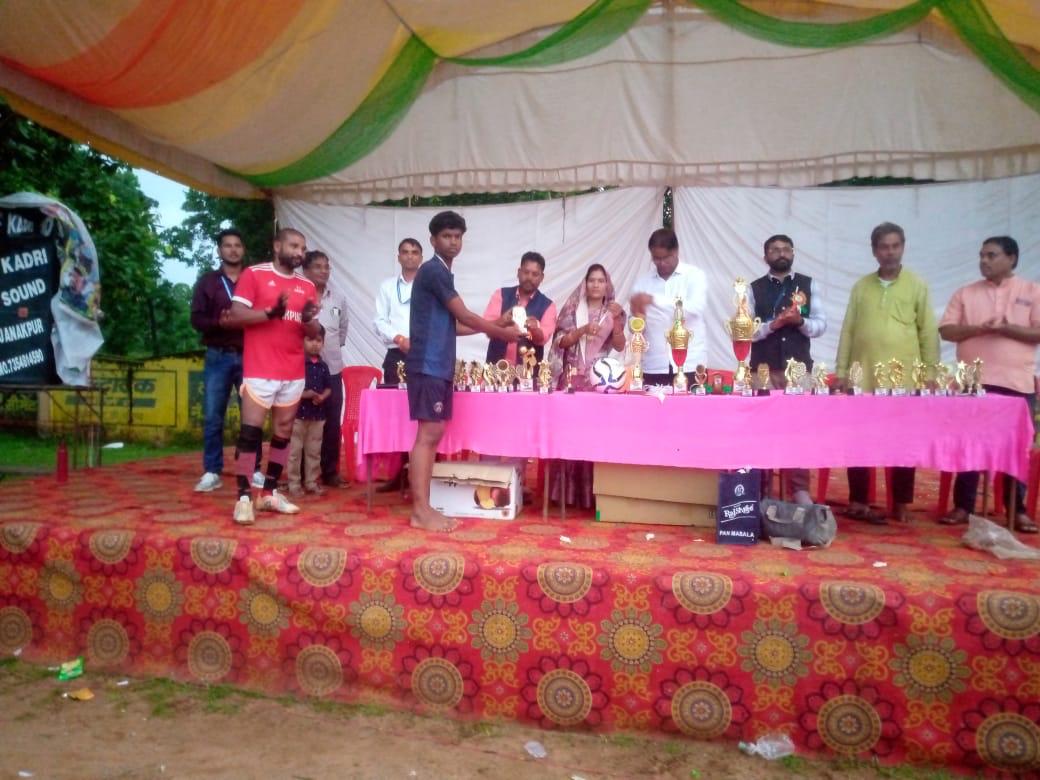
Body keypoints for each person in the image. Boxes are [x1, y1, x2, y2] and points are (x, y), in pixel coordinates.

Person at [406, 210, 519, 532]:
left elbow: (454, 325)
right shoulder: (434, 271)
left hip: (438, 364)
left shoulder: (442, 273)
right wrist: (501, 333)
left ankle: (424, 508)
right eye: (446, 236)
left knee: (432, 435)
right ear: (433, 240)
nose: (453, 242)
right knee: (427, 436)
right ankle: (420, 511)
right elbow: (466, 316)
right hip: (428, 364)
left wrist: (495, 324)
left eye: (457, 236)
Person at [835, 222, 939, 524]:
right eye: (884, 246)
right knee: (859, 439)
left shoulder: (917, 285)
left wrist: (930, 373)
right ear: (874, 251)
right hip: (863, 378)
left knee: (903, 441)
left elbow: (928, 332)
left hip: (903, 380)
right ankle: (858, 500)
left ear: (903, 247)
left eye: (895, 246)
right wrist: (841, 371)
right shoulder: (861, 287)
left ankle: (901, 503)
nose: (890, 252)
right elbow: (848, 330)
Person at [938, 236, 1040, 533]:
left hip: (1016, 384)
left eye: (991, 255)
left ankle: (1016, 509)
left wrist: (1007, 329)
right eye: (982, 255)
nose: (984, 261)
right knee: (969, 444)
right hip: (973, 384)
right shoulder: (966, 293)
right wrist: (978, 329)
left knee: (1015, 448)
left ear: (1012, 258)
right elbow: (947, 331)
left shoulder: (1032, 292)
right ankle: (963, 506)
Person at [224, 228, 320, 525]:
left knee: (284, 432)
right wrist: (270, 313)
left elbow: (314, 332)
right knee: (250, 432)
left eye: (302, 248)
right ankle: (243, 497)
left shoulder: (307, 285)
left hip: (292, 369)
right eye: (294, 246)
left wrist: (308, 320)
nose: (299, 252)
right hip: (260, 368)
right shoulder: (254, 274)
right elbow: (236, 316)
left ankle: (269, 492)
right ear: (277, 246)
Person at [746, 234, 827, 506]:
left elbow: (821, 325)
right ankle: (763, 488)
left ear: (793, 253)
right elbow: (746, 331)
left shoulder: (808, 284)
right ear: (765, 256)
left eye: (785, 249)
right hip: (763, 371)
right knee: (761, 431)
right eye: (774, 250)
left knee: (800, 431)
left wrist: (800, 321)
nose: (781, 253)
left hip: (800, 370)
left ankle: (800, 489)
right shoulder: (753, 289)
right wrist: (775, 325)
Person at [548, 264, 626, 508]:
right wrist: (581, 330)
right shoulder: (573, 310)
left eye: (601, 281)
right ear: (585, 283)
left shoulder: (613, 311)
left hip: (598, 383)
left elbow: (620, 345)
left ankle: (593, 496)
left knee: (593, 436)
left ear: (607, 285)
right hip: (571, 380)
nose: (596, 285)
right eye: (592, 280)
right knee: (568, 435)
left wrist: (617, 321)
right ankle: (565, 496)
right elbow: (560, 342)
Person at [189, 228, 260, 492]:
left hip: (249, 354)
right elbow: (196, 319)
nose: (233, 250)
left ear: (243, 250)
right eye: (227, 245)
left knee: (251, 417)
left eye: (237, 245)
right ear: (219, 250)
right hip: (217, 354)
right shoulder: (208, 282)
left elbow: (263, 315)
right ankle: (212, 471)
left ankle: (252, 469)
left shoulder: (253, 279)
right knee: (212, 415)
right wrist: (218, 323)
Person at [372, 238, 422, 492]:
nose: (410, 256)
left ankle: (427, 473)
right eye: (405, 252)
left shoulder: (430, 284)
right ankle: (400, 474)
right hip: (396, 354)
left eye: (414, 252)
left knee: (426, 414)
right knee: (398, 415)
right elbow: (379, 321)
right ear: (398, 257)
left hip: (425, 354)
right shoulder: (388, 287)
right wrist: (399, 338)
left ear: (421, 257)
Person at [629, 228, 707, 387]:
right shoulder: (643, 283)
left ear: (676, 251)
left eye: (666, 258)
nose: (661, 263)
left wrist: (654, 300)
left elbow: (695, 308)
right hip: (654, 365)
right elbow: (635, 327)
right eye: (656, 258)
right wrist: (636, 318)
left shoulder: (694, 276)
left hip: (691, 364)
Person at [300, 250, 350, 488]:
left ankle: (330, 472)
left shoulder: (338, 298)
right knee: (302, 422)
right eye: (318, 267)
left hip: (332, 369)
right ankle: (302, 473)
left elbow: (342, 332)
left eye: (326, 267)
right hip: (303, 371)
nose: (323, 271)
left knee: (331, 422)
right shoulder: (298, 296)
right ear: (305, 270)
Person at [467, 251, 556, 364]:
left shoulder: (548, 306)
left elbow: (542, 339)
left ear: (542, 277)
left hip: (528, 371)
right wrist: (502, 326)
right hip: (495, 368)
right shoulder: (500, 294)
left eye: (535, 274)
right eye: (526, 272)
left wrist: (534, 329)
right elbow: (486, 327)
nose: (529, 277)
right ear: (518, 272)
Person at [287, 325, 332, 497]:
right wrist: (307, 394)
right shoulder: (297, 363)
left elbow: (329, 387)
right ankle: (294, 483)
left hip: (317, 416)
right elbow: (291, 387)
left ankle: (311, 482)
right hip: (298, 415)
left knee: (314, 451)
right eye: (310, 340)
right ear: (302, 341)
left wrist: (322, 397)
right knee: (295, 451)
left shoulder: (323, 366)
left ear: (323, 343)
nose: (315, 344)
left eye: (318, 341)